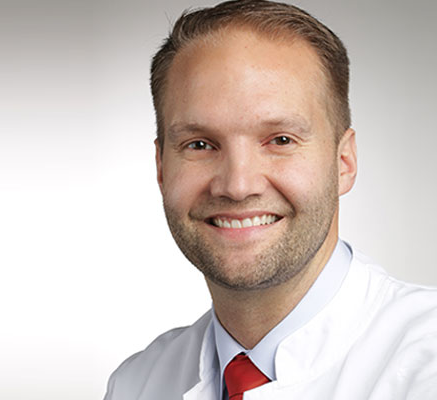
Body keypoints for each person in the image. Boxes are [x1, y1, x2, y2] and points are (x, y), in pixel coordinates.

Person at [104, 0, 437, 399]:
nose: (238, 185)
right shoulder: (136, 384)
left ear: (344, 162)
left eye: (280, 140)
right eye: (200, 144)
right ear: (161, 167)